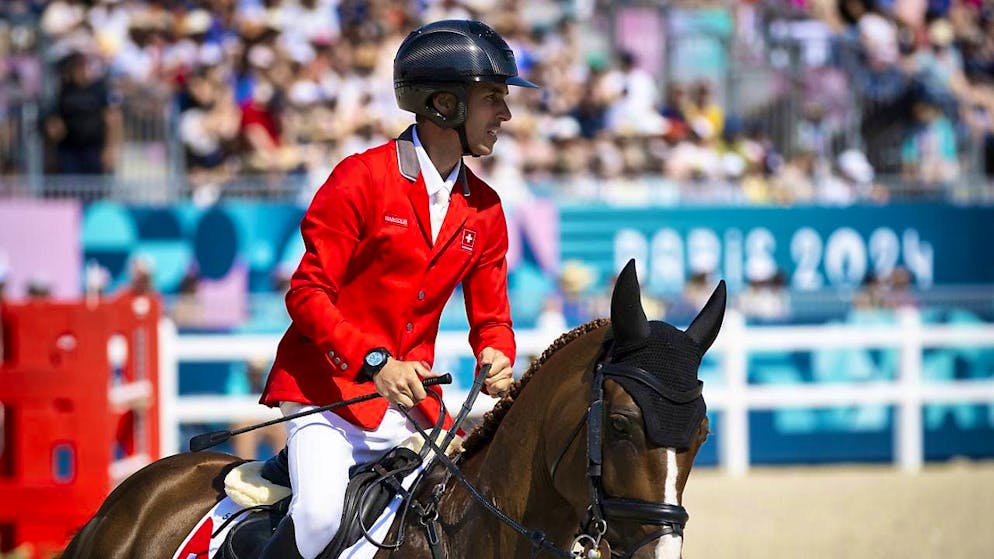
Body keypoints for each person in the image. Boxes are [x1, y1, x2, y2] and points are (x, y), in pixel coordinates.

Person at [256, 19, 537, 559]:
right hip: (327, 398)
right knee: (316, 519)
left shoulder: (486, 209)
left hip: (413, 408)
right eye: (494, 99)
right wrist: (376, 362)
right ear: (444, 104)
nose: (505, 114)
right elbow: (307, 294)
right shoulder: (360, 178)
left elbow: (492, 319)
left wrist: (497, 353)